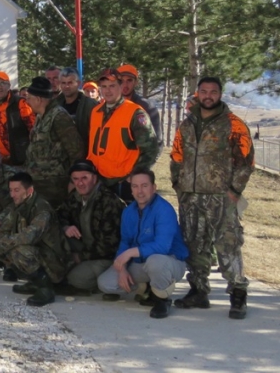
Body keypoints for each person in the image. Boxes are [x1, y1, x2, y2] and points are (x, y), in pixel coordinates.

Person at [170, 76, 253, 319]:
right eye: (204, 91)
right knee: (194, 244)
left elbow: (246, 162)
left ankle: (237, 293)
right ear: (198, 93)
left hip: (221, 199)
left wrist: (234, 191)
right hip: (191, 197)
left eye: (213, 92)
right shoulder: (186, 125)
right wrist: (179, 186)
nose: (208, 96)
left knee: (228, 245)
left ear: (219, 94)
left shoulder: (233, 124)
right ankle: (198, 290)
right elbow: (176, 156)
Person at [97, 169, 189, 319]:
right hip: (141, 263)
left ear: (154, 187)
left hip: (169, 261)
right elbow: (125, 242)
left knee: (155, 262)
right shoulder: (129, 212)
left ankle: (161, 299)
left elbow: (162, 246)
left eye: (144, 186)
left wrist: (130, 253)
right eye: (135, 186)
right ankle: (145, 287)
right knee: (105, 283)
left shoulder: (164, 209)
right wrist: (122, 269)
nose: (140, 191)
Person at [0, 172, 67, 307]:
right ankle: (36, 283)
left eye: (16, 190)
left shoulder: (42, 209)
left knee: (17, 249)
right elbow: (2, 229)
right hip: (39, 254)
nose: (12, 195)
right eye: (11, 190)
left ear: (29, 190)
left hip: (55, 262)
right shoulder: (19, 205)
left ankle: (46, 288)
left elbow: (28, 236)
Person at [87, 68, 159, 202]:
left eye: (112, 86)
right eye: (104, 86)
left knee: (126, 220)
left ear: (120, 87)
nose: (108, 91)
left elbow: (151, 148)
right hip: (100, 180)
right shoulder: (96, 111)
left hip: (123, 183)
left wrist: (135, 175)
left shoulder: (134, 112)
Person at [56, 160, 126, 294]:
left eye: (84, 178)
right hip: (85, 247)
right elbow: (57, 216)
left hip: (107, 256)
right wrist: (66, 227)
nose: (80, 183)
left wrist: (79, 257)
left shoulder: (108, 201)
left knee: (74, 279)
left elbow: (108, 246)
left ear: (94, 178)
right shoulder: (75, 196)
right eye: (75, 179)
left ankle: (108, 279)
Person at [23, 76, 83, 209]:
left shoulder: (59, 117)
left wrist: (74, 180)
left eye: (29, 98)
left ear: (38, 99)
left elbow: (76, 151)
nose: (27, 102)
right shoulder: (40, 116)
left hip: (56, 187)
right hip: (40, 184)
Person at [0, 71, 35, 166]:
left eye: (3, 83)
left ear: (9, 85)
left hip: (19, 158)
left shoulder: (20, 103)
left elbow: (33, 129)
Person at [117, 64, 162, 142]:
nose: (125, 85)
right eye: (121, 81)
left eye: (129, 80)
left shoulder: (147, 107)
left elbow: (157, 141)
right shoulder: (109, 107)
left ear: (136, 82)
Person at [55, 67, 98, 146]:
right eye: (63, 83)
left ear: (78, 83)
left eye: (70, 83)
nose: (66, 86)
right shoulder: (55, 104)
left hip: (84, 152)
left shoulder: (91, 105)